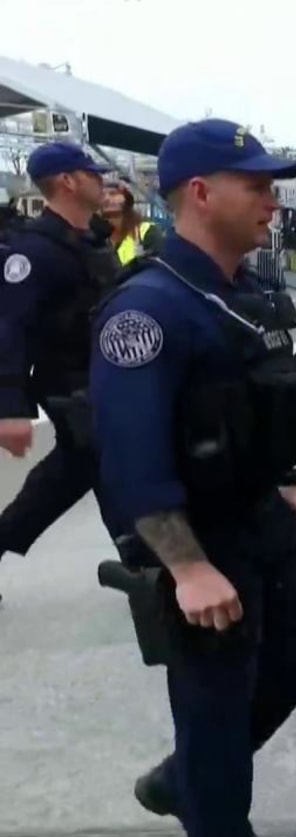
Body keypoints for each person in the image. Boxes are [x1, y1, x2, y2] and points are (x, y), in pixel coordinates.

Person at [89, 119, 296, 837]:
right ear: (199, 193)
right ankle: (209, 806)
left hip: (262, 518)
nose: (272, 202)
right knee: (217, 711)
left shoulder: (245, 292)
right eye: (255, 186)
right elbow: (129, 451)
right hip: (200, 535)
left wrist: (285, 474)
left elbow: (274, 390)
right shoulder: (148, 309)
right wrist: (187, 567)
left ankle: (184, 776)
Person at [0, 142, 120, 606]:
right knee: (111, 466)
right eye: (92, 173)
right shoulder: (33, 251)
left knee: (69, 475)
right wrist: (9, 409)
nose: (102, 181)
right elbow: (9, 329)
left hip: (103, 378)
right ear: (68, 181)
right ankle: (150, 565)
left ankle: (151, 564)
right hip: (70, 386)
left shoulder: (92, 240)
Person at [103, 182, 163, 264]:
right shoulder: (94, 236)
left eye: (113, 193)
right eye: (101, 195)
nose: (106, 198)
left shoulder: (147, 232)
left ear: (127, 197)